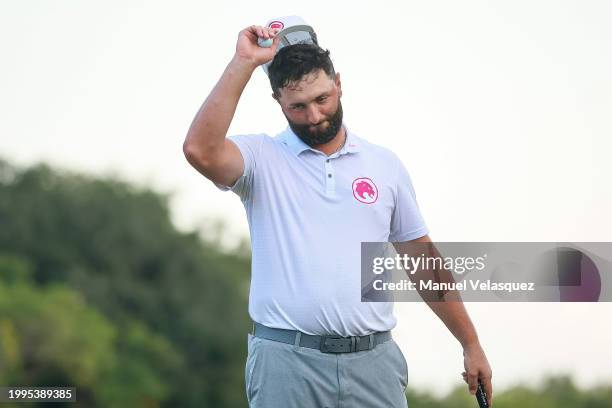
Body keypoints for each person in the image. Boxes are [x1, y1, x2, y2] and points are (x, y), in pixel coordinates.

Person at [183, 23, 493, 408]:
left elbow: (423, 262)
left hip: (373, 364)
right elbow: (200, 150)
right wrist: (244, 62)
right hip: (286, 363)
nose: (314, 116)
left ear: (339, 84)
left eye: (322, 99)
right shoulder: (261, 159)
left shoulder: (385, 165)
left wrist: (470, 342)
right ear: (278, 100)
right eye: (298, 106)